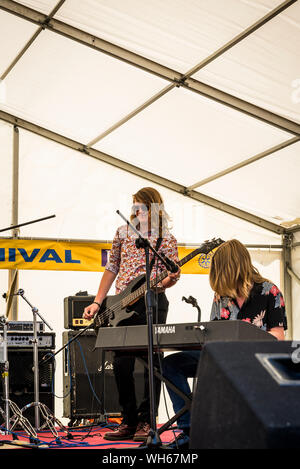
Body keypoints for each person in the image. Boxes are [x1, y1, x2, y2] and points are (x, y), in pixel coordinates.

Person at [162, 239, 287, 448]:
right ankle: (190, 428)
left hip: (254, 360)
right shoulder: (221, 294)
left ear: (232, 268)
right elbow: (214, 330)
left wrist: (243, 337)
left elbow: (277, 337)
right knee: (170, 365)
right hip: (221, 357)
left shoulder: (269, 291)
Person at [83, 187, 180, 441]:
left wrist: (168, 281)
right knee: (121, 363)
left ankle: (147, 421)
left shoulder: (166, 239)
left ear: (155, 208)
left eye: (143, 206)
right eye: (135, 205)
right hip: (122, 304)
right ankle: (128, 420)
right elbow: (111, 267)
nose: (137, 210)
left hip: (153, 302)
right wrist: (97, 302)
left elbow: (171, 276)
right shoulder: (123, 232)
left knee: (152, 362)